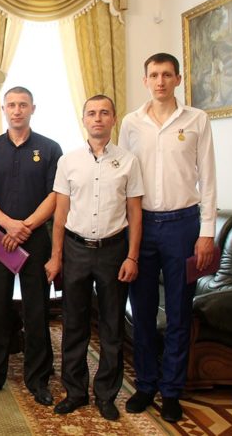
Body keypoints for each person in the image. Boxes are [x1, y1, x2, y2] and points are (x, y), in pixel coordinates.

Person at [119, 52, 217, 423]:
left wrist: (207, 232)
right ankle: (146, 384)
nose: (160, 81)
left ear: (178, 79)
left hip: (183, 226)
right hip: (141, 226)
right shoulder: (131, 122)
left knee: (178, 311)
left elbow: (208, 177)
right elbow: (123, 177)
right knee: (142, 310)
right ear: (145, 80)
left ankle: (172, 390)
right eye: (154, 75)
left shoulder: (197, 120)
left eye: (166, 75)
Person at [45, 95, 143, 421]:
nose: (97, 118)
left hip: (114, 251)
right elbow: (60, 214)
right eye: (91, 113)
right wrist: (56, 257)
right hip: (75, 249)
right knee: (74, 324)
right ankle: (75, 392)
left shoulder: (129, 162)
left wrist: (132, 257)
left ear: (113, 119)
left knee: (112, 326)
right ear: (84, 120)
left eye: (104, 113)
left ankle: (105, 395)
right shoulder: (68, 161)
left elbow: (135, 212)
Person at [0, 86, 62, 406]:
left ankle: (37, 378)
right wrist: (9, 225)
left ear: (33, 108)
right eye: (11, 105)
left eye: (23, 105)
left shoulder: (50, 148)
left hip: (35, 239)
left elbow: (55, 195)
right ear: (3, 109)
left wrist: (25, 227)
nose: (17, 110)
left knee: (36, 310)